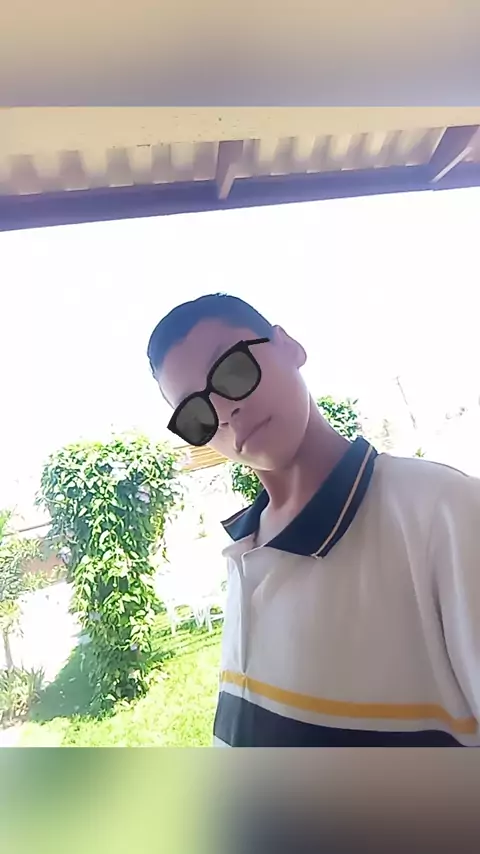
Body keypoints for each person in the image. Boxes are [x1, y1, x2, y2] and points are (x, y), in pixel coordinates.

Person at [147, 292, 480, 747]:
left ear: (290, 347)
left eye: (232, 369)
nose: (224, 412)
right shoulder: (244, 550)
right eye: (195, 412)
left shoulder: (444, 514)